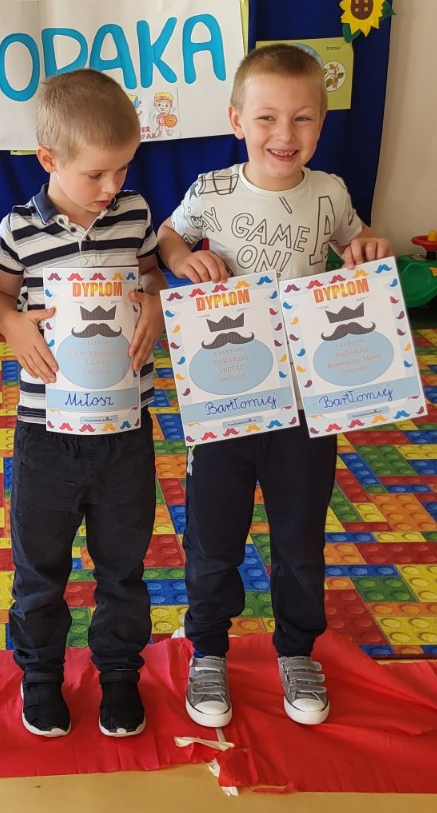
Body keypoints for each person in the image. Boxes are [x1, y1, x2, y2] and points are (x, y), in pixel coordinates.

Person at [157, 44, 392, 730]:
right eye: (266, 118)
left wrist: (367, 250)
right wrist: (183, 257)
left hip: (307, 401)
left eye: (302, 118)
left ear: (322, 121)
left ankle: (297, 650)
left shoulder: (331, 192)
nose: (284, 134)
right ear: (236, 120)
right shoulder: (212, 190)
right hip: (226, 396)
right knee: (213, 537)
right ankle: (208, 648)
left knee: (299, 537)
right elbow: (168, 236)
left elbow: (358, 243)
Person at [0, 70, 165, 740]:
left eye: (123, 169)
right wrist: (12, 325)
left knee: (124, 563)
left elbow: (150, 272)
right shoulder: (20, 228)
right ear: (49, 160)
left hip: (125, 426)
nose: (111, 185)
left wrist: (155, 302)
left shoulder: (135, 214)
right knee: (40, 565)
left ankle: (118, 671)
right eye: (96, 173)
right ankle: (40, 674)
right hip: (47, 431)